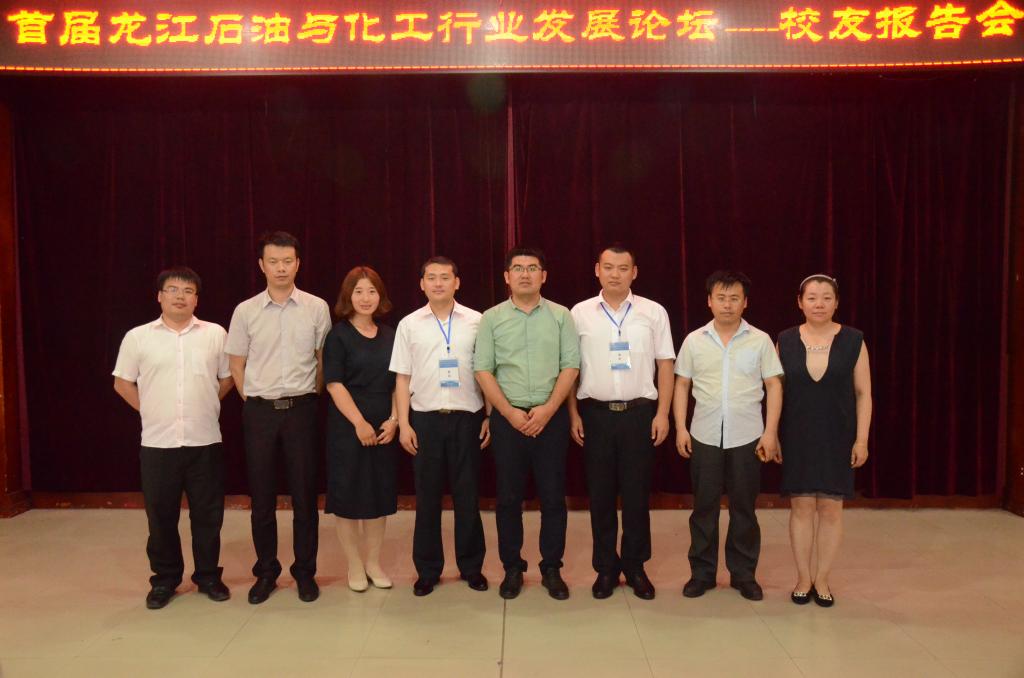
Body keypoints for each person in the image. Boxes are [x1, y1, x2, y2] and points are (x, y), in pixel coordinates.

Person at [112, 266, 233, 609]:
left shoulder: (215, 334)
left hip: (204, 440)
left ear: (197, 299)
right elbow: (122, 383)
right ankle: (165, 579)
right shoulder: (138, 337)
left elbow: (227, 378)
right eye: (173, 290)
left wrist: (206, 403)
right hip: (158, 443)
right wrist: (149, 410)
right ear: (159, 296)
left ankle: (208, 576)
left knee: (208, 515)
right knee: (161, 516)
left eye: (188, 291)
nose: (180, 296)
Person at [226, 232, 332, 604]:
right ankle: (266, 572)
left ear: (298, 264)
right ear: (262, 265)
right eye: (274, 261)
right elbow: (236, 364)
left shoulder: (316, 307)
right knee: (262, 498)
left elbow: (323, 360)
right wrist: (254, 398)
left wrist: (309, 395)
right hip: (260, 412)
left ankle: (305, 572)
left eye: (288, 261)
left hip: (302, 410)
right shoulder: (245, 310)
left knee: (305, 496)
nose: (281, 268)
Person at [568, 245, 675, 600]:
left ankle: (635, 565)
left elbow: (665, 364)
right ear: (597, 269)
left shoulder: (653, 312)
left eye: (623, 268)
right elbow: (570, 368)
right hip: (595, 414)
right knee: (600, 496)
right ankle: (605, 568)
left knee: (636, 495)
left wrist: (662, 413)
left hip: (640, 414)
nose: (615, 274)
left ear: (634, 272)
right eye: (609, 267)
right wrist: (573, 414)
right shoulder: (579, 313)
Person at [474, 247, 580, 600]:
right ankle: (512, 567)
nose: (524, 274)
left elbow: (570, 366)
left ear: (543, 276)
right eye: (517, 268)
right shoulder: (491, 318)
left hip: (550, 418)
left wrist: (549, 409)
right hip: (509, 419)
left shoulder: (561, 316)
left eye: (532, 268)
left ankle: (551, 567)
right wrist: (508, 412)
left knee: (553, 497)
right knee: (508, 498)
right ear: (506, 277)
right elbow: (483, 369)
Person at [673, 270, 783, 601]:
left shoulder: (760, 340)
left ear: (745, 302)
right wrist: (681, 427)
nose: (727, 305)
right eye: (721, 298)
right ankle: (702, 573)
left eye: (734, 298)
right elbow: (682, 384)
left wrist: (770, 432)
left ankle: (744, 574)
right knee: (703, 507)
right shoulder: (694, 340)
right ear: (709, 301)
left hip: (748, 435)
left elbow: (774, 385)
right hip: (704, 433)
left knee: (744, 507)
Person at [390, 256, 490, 596]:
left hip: (467, 417)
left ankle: (471, 567)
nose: (437, 283)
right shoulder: (409, 324)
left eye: (444, 277)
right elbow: (402, 378)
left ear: (456, 282)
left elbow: (487, 373)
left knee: (468, 497)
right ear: (421, 284)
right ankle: (428, 570)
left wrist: (489, 416)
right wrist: (404, 424)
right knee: (427, 499)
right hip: (425, 419)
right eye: (431, 277)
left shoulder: (477, 321)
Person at [778, 274, 871, 608]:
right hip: (797, 435)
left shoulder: (854, 340)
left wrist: (861, 439)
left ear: (836, 302)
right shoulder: (785, 340)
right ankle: (803, 578)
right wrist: (772, 434)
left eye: (826, 297)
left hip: (838, 435)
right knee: (801, 507)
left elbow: (863, 394)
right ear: (800, 302)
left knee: (831, 509)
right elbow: (776, 392)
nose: (819, 304)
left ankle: (823, 579)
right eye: (812, 297)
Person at [323, 266, 400, 592]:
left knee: (378, 497)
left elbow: (400, 381)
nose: (366, 298)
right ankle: (354, 564)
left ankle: (373, 562)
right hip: (348, 427)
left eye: (371, 291)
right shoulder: (338, 336)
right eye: (358, 292)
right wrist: (359, 423)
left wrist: (394, 420)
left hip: (384, 428)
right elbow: (334, 383)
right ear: (348, 296)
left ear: (380, 296)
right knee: (348, 497)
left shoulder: (391, 335)